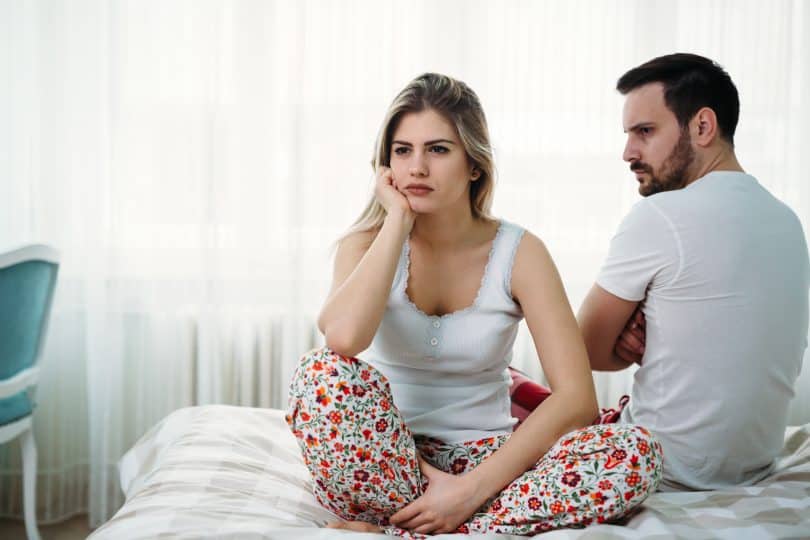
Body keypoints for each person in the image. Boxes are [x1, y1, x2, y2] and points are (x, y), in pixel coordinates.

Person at [286, 73, 661, 537]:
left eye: (438, 149)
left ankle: (412, 525)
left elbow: (577, 398)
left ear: (474, 164)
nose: (417, 167)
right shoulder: (365, 244)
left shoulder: (520, 252)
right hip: (384, 456)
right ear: (386, 165)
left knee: (635, 454)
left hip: (488, 460)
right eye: (402, 151)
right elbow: (343, 340)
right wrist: (397, 222)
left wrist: (469, 490)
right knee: (320, 375)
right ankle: (445, 517)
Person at [578, 53, 809, 491]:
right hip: (752, 467)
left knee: (514, 402)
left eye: (644, 132)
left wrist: (623, 345)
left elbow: (582, 350)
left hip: (661, 473)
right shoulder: (789, 222)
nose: (628, 152)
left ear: (703, 126)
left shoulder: (661, 216)